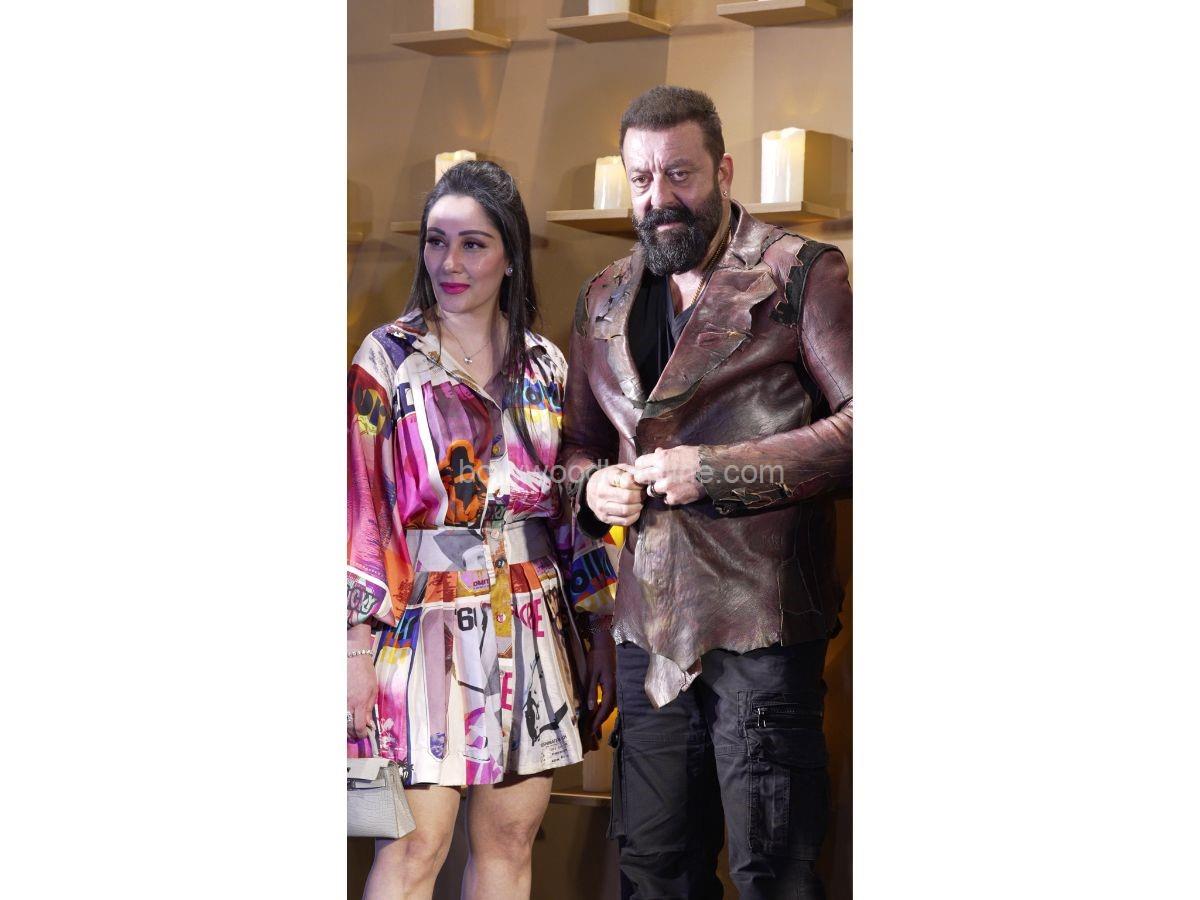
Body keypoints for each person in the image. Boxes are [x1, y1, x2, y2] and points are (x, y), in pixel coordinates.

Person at [561, 85, 852, 899]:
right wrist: (593, 489)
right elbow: (576, 448)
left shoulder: (801, 272)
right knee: (654, 874)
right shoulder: (601, 295)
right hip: (646, 637)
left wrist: (714, 471)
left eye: (679, 174)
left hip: (761, 626)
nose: (659, 198)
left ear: (722, 171)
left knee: (772, 875)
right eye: (642, 179)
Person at [347, 160, 618, 900]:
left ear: (510, 256)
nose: (451, 262)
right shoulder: (387, 360)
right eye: (437, 242)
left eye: (473, 244)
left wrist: (598, 629)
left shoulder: (546, 365)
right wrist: (353, 648)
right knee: (413, 849)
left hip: (531, 622)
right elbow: (359, 510)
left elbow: (571, 510)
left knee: (508, 845)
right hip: (419, 626)